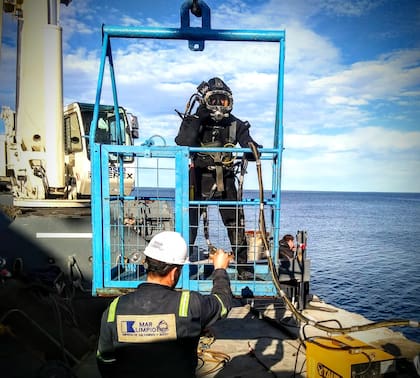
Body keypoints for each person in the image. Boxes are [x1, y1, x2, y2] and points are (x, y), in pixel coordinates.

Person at [96, 231, 233, 378]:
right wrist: (220, 269)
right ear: (174, 273)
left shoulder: (115, 308)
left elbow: (105, 359)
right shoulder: (189, 304)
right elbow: (223, 303)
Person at [175, 77, 261, 280]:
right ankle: (180, 268)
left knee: (235, 223)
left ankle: (243, 269)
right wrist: (198, 118)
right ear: (205, 100)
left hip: (226, 179)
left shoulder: (235, 124)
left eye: (223, 101)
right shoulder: (195, 121)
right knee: (190, 224)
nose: (219, 107)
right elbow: (183, 141)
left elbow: (248, 141)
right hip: (198, 178)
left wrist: (252, 148)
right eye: (214, 100)